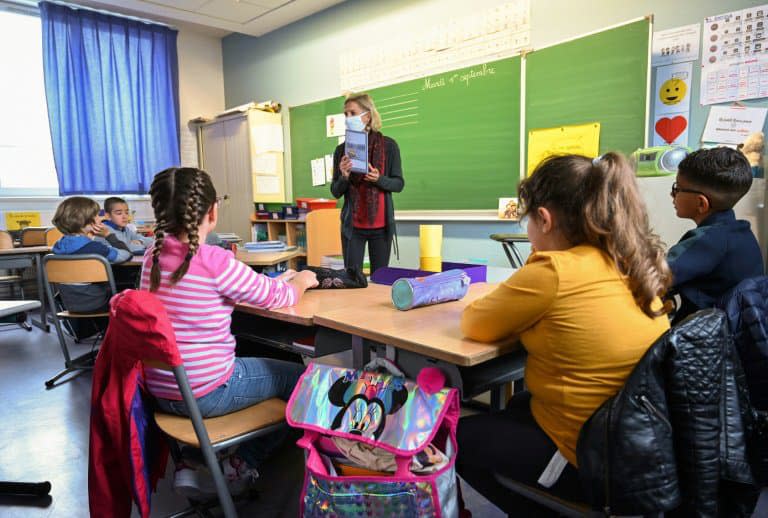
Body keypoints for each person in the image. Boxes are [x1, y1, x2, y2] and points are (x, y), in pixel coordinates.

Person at [456, 153, 672, 515]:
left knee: (455, 438)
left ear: (544, 218)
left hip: (589, 457)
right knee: (517, 405)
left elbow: (475, 323)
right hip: (641, 442)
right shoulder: (628, 261)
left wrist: (538, 260)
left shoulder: (554, 270)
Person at [140, 167, 318, 497]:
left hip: (162, 390)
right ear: (212, 210)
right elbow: (279, 297)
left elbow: (199, 296)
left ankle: (193, 461)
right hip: (206, 392)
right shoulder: (214, 260)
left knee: (252, 358)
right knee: (303, 379)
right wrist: (303, 279)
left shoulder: (151, 256)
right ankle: (240, 464)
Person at [667, 147, 763, 323]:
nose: (672, 194)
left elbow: (656, 276)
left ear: (701, 203)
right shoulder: (742, 233)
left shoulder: (709, 240)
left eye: (677, 188)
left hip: (702, 342)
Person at [330, 93, 404, 274]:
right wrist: (344, 176)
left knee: (380, 280)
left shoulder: (389, 146)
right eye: (345, 114)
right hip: (352, 228)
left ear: (367, 116)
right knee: (352, 280)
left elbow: (398, 184)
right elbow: (335, 191)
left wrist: (379, 179)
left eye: (352, 113)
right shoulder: (341, 150)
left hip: (381, 227)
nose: (348, 119)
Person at [51, 196, 132, 339]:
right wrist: (109, 235)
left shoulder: (57, 247)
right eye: (97, 215)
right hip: (96, 303)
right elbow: (126, 255)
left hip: (70, 303)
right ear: (86, 222)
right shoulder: (94, 248)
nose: (100, 219)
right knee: (130, 284)